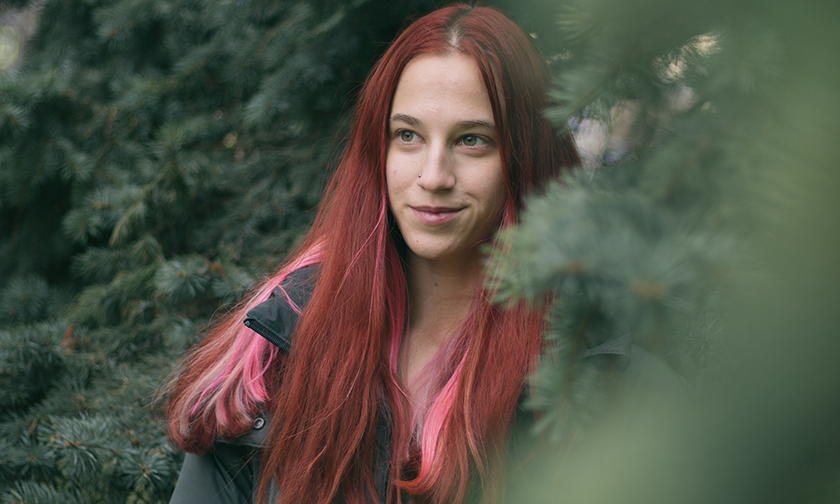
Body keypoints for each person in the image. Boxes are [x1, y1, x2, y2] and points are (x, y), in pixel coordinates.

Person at [166, 4, 583, 504]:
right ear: (377, 149)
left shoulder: (587, 367)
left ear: (525, 157)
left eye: (472, 140)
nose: (433, 176)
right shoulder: (279, 342)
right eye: (408, 135)